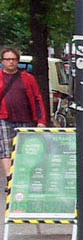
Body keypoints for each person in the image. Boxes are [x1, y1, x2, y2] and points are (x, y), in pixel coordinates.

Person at [0, 45, 48, 182]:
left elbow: (38, 99)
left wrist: (41, 120)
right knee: (6, 150)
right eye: (7, 59)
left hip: (26, 118)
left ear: (17, 61)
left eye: (14, 59)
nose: (11, 62)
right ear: (2, 61)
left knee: (26, 151)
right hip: (4, 118)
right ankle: (11, 180)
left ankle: (25, 178)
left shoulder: (27, 78)